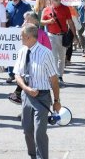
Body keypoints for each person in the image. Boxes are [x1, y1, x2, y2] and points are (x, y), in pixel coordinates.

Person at [14, 23, 61, 159]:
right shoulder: (22, 51)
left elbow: (54, 79)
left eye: (22, 36)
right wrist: (26, 88)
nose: (20, 39)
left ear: (29, 37)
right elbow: (17, 75)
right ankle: (32, 155)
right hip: (27, 96)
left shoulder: (46, 53)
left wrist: (57, 101)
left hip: (42, 96)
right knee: (27, 130)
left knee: (39, 132)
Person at [8, 12, 52, 104]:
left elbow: (48, 50)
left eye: (27, 19)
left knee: (35, 89)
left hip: (38, 67)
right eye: (24, 19)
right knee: (25, 88)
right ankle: (25, 107)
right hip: (26, 64)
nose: (25, 21)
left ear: (35, 21)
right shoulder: (23, 32)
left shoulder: (42, 34)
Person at [41, 0, 78, 87]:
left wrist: (75, 36)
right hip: (51, 36)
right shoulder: (47, 9)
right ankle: (56, 76)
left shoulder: (66, 9)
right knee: (54, 57)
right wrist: (49, 21)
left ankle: (60, 76)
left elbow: (70, 22)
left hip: (63, 36)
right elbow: (41, 22)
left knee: (62, 58)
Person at [6, 0, 32, 83]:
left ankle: (20, 75)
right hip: (10, 34)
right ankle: (10, 74)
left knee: (21, 54)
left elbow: (30, 17)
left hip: (22, 33)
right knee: (10, 53)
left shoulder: (26, 6)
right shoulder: (8, 5)